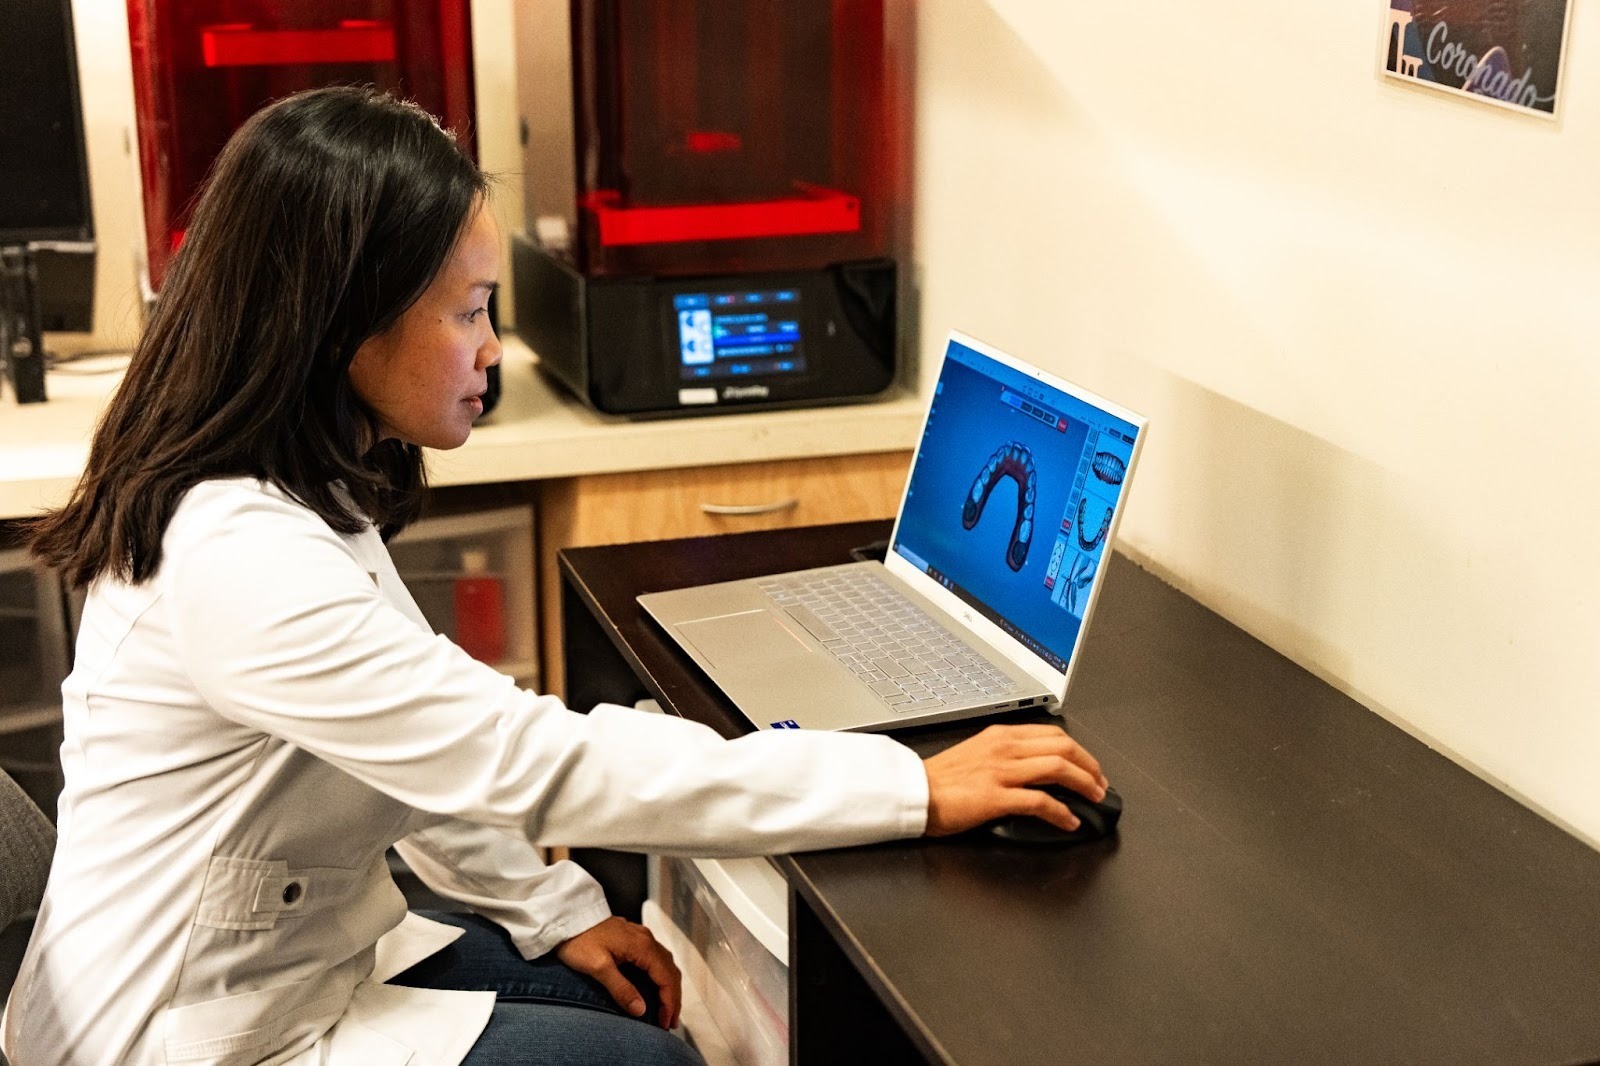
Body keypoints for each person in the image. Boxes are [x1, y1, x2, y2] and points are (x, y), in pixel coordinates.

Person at [2, 87, 1109, 1066]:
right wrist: (911, 788)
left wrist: (552, 909)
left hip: (278, 955)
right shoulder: (239, 559)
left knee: (619, 993)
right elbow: (522, 758)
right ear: (344, 321)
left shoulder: (297, 483)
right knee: (656, 1062)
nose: (493, 348)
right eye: (469, 310)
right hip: (175, 1031)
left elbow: (425, 749)